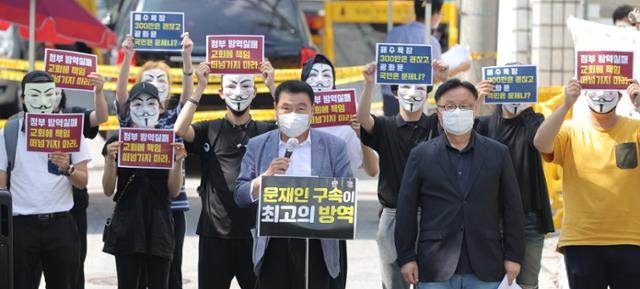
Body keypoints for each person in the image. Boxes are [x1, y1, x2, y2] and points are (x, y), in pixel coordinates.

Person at [395, 78, 525, 289]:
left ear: (475, 109)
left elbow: (513, 208)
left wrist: (514, 256)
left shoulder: (498, 153)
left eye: (464, 106)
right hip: (435, 266)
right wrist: (406, 256)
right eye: (449, 106)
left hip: (487, 263)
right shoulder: (421, 155)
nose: (457, 111)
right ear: (439, 112)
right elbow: (406, 210)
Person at [234, 80, 352, 289]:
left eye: (301, 108)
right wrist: (265, 178)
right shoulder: (258, 144)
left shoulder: (335, 147)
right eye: (286, 108)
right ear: (275, 109)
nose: (293, 115)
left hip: (317, 243)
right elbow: (240, 195)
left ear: (312, 111)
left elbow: (346, 195)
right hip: (273, 241)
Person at [174, 62, 277, 289]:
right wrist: (200, 87)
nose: (238, 92)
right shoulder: (209, 128)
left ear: (254, 91)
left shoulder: (265, 131)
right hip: (214, 233)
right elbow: (180, 129)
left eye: (245, 85)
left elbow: (291, 129)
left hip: (255, 233)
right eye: (230, 86)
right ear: (220, 93)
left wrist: (272, 85)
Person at [533, 80, 640, 289]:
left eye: (609, 89)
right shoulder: (569, 131)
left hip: (631, 238)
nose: (601, 94)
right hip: (581, 240)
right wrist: (565, 105)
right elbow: (540, 142)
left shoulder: (635, 129)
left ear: (620, 94)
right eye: (595, 88)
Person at [0, 71, 92, 289]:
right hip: (21, 226)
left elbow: (82, 181)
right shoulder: (9, 132)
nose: (42, 102)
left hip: (61, 224)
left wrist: (67, 168)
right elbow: (1, 185)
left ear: (55, 97)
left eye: (48, 95)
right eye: (34, 96)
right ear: (22, 98)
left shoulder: (71, 131)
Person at [116, 32, 194, 289]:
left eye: (162, 80)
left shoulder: (173, 118)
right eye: (149, 80)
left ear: (169, 88)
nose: (156, 84)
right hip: (139, 206)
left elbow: (188, 99)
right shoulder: (131, 119)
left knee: (171, 272)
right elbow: (120, 99)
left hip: (172, 207)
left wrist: (186, 58)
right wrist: (127, 58)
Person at [357, 62, 443, 289]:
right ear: (394, 93)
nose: (413, 93)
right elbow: (363, 118)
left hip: (432, 215)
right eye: (405, 86)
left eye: (421, 88)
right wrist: (368, 85)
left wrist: (444, 79)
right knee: (394, 282)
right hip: (393, 214)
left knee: (432, 282)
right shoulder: (385, 126)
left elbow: (460, 111)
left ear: (428, 93)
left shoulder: (437, 124)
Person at [102, 82, 187, 289]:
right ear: (129, 109)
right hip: (128, 223)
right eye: (137, 104)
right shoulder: (117, 141)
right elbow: (107, 189)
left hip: (159, 223)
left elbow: (174, 191)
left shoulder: (169, 142)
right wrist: (110, 160)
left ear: (159, 108)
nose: (144, 110)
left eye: (150, 104)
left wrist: (178, 162)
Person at [29, 76, 109, 289]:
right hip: (34, 209)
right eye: (43, 92)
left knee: (70, 270)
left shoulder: (73, 117)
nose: (50, 98)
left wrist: (98, 92)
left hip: (71, 207)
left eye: (54, 92)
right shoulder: (23, 123)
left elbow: (101, 116)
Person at [475, 78, 554, 289]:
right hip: (491, 219)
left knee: (528, 283)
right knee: (490, 283)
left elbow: (539, 142)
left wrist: (527, 108)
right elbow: (463, 140)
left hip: (529, 217)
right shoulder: (484, 124)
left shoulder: (535, 120)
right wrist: (477, 100)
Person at [382, 0, 449, 116]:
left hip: (389, 96)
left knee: (390, 131)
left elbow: (383, 67)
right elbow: (435, 76)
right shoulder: (431, 41)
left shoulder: (394, 33)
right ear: (434, 15)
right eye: (440, 13)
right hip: (416, 99)